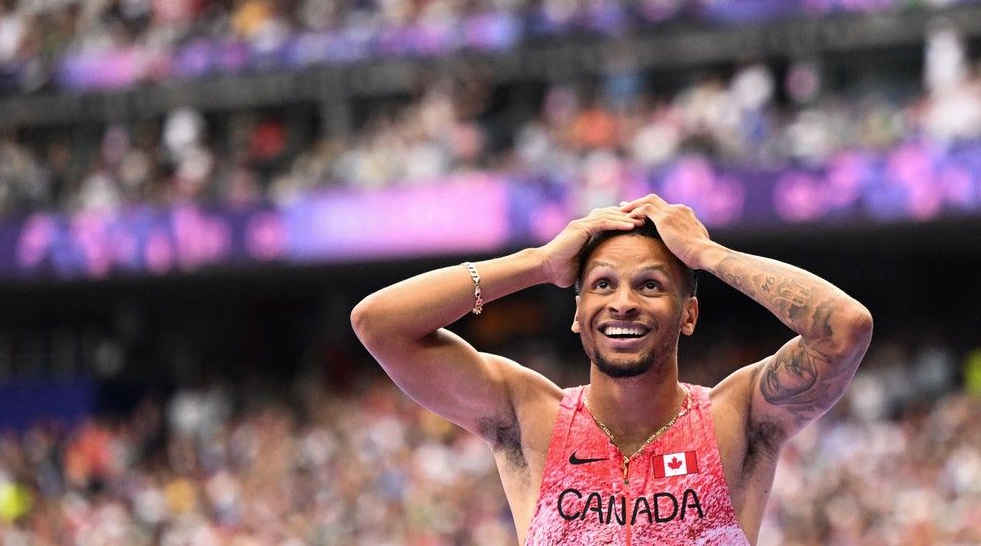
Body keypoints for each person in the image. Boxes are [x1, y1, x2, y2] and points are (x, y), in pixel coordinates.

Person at [351, 194, 873, 545]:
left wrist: (707, 254)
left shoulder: (736, 419)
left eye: (650, 285)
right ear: (577, 315)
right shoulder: (530, 416)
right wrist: (538, 262)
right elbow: (378, 323)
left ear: (688, 313)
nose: (623, 303)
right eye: (602, 284)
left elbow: (844, 328)